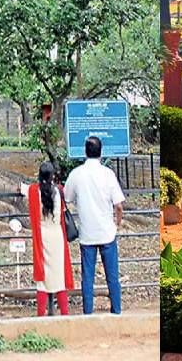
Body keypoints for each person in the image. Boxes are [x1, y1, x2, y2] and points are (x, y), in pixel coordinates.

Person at [64, 135, 125, 315]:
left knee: (87, 278)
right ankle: (116, 311)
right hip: (107, 232)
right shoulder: (107, 174)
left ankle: (88, 312)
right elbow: (119, 205)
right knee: (112, 276)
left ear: (85, 152)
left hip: (87, 233)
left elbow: (67, 197)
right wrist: (117, 224)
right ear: (101, 152)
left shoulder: (76, 174)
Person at [23, 161, 73, 316]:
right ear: (53, 176)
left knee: (43, 280)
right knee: (59, 275)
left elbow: (25, 188)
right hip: (57, 234)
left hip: (42, 235)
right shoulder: (59, 191)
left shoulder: (33, 191)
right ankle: (65, 313)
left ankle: (41, 315)